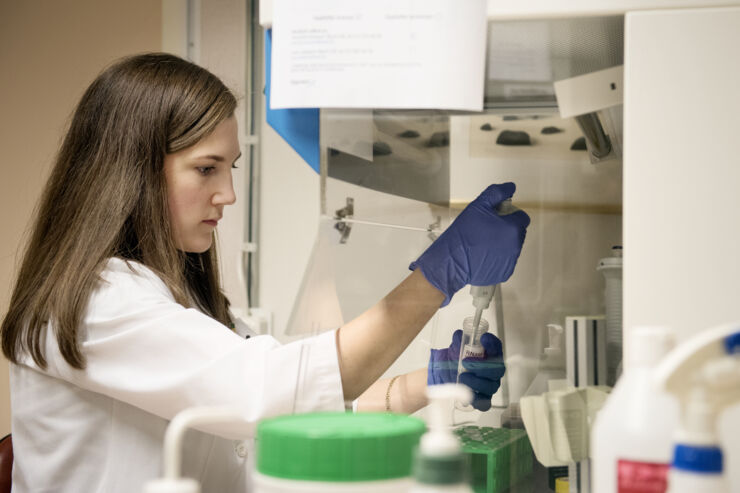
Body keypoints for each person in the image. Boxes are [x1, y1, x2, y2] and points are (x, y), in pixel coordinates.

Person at [0, 53, 530, 492]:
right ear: (131, 168)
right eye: (207, 168)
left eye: (230, 168)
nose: (228, 194)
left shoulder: (173, 293)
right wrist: (440, 273)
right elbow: (270, 391)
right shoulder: (99, 301)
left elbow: (290, 406)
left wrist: (427, 385)